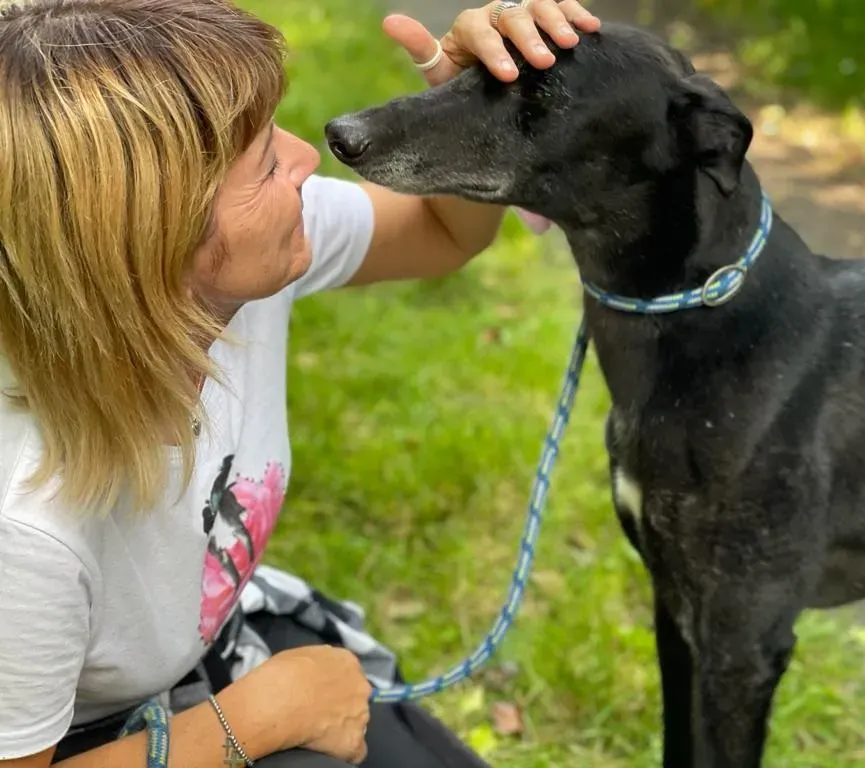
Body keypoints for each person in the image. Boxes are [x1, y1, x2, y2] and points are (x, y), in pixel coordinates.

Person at [0, 0, 601, 766]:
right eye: (264, 163)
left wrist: (470, 109)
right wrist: (256, 718)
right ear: (156, 241)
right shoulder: (24, 523)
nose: (309, 158)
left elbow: (445, 232)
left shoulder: (232, 269)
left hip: (215, 647)